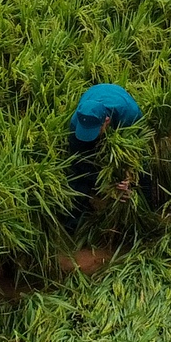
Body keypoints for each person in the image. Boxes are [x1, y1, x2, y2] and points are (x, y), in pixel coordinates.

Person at [61, 83, 141, 235]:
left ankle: (137, 217)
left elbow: (139, 152)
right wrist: (105, 185)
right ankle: (75, 223)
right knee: (79, 172)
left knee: (142, 176)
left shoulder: (130, 116)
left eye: (93, 131)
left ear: (106, 121)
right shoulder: (75, 123)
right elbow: (79, 160)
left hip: (120, 103)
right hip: (93, 95)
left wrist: (129, 177)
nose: (88, 136)